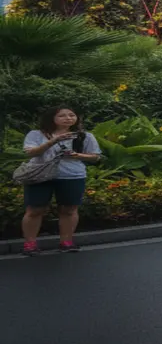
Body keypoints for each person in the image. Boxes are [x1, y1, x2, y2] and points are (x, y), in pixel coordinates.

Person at [20, 107, 103, 255]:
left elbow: (95, 156)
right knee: (35, 209)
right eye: (62, 115)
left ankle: (67, 242)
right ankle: (30, 244)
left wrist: (77, 155)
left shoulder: (84, 136)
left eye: (72, 115)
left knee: (69, 209)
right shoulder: (37, 134)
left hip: (72, 175)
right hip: (40, 175)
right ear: (52, 118)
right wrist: (53, 141)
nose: (68, 118)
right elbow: (30, 152)